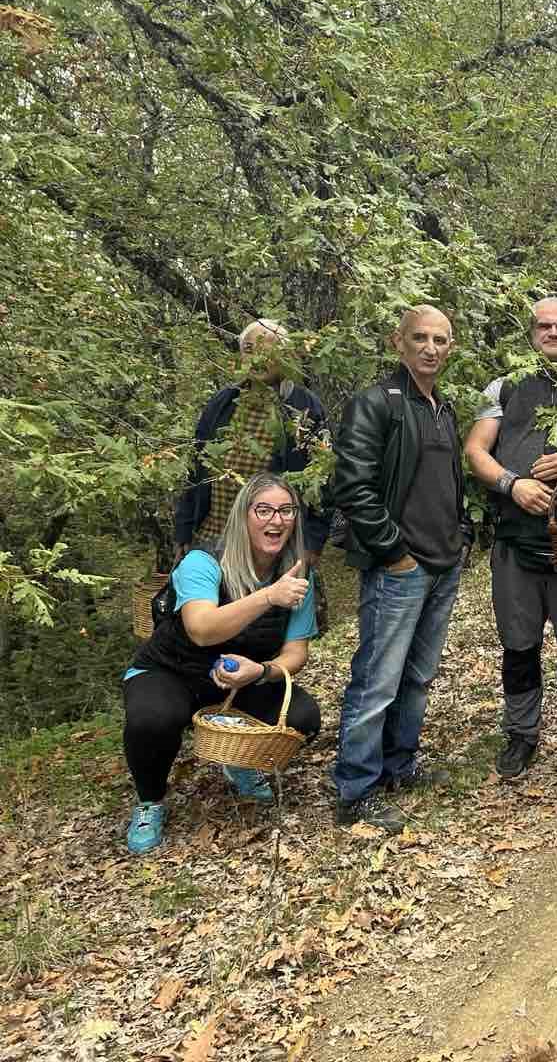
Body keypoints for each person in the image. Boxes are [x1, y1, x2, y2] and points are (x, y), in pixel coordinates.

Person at [122, 474, 321, 854]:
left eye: (286, 510)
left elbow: (296, 652)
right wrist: (268, 597)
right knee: (152, 720)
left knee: (303, 717)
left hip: (238, 680)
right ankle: (150, 801)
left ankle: (240, 762)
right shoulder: (203, 562)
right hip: (171, 671)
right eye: (263, 510)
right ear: (242, 516)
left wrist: (261, 671)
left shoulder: (297, 574)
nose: (275, 521)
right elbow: (201, 630)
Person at [328, 305, 470, 834]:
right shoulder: (374, 404)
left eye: (441, 339)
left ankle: (398, 765)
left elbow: (447, 481)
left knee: (418, 676)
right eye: (421, 338)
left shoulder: (443, 407)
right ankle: (355, 787)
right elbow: (354, 487)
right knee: (377, 679)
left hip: (443, 562)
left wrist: (461, 536)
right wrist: (394, 553)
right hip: (399, 568)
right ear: (398, 342)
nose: (431, 348)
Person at [465, 297, 557, 785]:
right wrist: (513, 483)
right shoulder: (505, 385)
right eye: (544, 326)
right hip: (515, 539)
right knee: (519, 645)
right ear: (532, 333)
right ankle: (521, 734)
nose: (554, 333)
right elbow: (475, 450)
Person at [175, 319, 331, 572]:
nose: (258, 358)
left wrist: (313, 542)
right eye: (249, 349)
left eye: (268, 350)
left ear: (287, 356)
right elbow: (196, 467)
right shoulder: (222, 404)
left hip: (276, 543)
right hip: (214, 536)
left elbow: (323, 481)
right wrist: (184, 530)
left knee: (271, 608)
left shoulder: (305, 408)